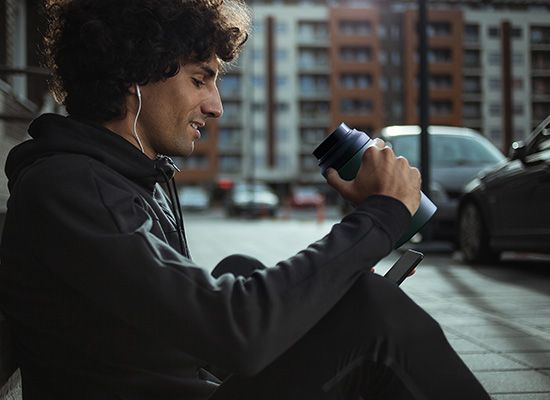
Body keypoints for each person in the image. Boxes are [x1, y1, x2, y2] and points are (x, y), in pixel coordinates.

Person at [0, 0, 490, 399]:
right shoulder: (73, 187)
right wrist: (381, 219)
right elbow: (235, 329)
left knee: (245, 269)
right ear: (133, 76)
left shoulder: (115, 178)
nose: (215, 106)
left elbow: (192, 324)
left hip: (181, 378)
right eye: (200, 80)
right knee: (371, 312)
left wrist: (329, 288)